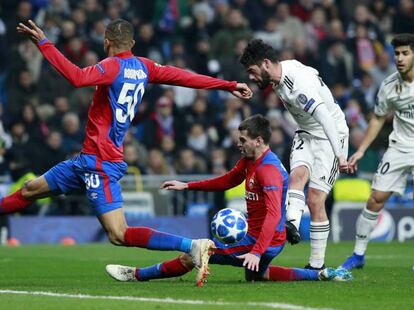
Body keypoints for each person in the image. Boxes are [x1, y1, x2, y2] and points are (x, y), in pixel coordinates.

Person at [0, 19, 253, 284]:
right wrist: (228, 85)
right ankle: (191, 245)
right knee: (30, 190)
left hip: (100, 162)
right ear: (132, 43)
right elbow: (185, 77)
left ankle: (191, 245)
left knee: (119, 234)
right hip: (86, 160)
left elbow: (76, 77)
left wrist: (44, 42)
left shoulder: (111, 66)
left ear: (106, 41)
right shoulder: (145, 66)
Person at [106, 115, 352, 284]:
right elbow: (227, 180)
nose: (238, 144)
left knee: (196, 253)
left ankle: (137, 275)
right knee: (257, 277)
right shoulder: (250, 161)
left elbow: (275, 216)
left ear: (259, 141)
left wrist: (256, 252)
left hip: (263, 240)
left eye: (243, 140)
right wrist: (187, 185)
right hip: (260, 238)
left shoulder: (269, 171)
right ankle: (321, 275)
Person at [240, 39, 349, 270]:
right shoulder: (280, 75)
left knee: (315, 199)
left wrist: (339, 155)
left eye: (252, 71)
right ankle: (291, 224)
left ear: (266, 63)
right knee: (297, 177)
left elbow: (326, 118)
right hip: (306, 133)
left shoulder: (298, 85)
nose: (251, 76)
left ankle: (316, 264)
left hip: (331, 137)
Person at [340, 33, 414, 270]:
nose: (400, 58)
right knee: (375, 199)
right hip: (400, 146)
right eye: (397, 54)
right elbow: (378, 119)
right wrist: (361, 150)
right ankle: (358, 255)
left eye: (405, 53)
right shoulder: (390, 86)